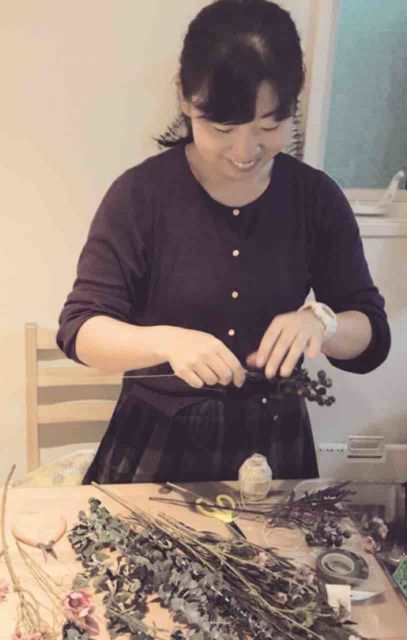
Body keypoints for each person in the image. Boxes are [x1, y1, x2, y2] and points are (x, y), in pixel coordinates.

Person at [57, 0, 391, 484]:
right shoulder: (141, 195)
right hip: (158, 442)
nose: (245, 151)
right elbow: (81, 330)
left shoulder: (315, 198)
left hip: (276, 445)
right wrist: (166, 341)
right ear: (184, 97)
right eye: (223, 128)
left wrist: (323, 322)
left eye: (269, 126)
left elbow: (371, 335)